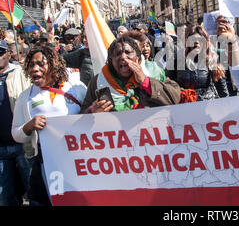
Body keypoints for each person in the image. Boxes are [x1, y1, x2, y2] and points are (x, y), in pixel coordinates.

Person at [12, 45, 87, 205]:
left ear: (53, 64)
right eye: (31, 65)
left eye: (40, 64)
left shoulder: (75, 88)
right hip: (47, 163)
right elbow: (16, 133)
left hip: (79, 160)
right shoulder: (26, 97)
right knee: (57, 200)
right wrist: (29, 126)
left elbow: (90, 118)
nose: (34, 69)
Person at [81, 36, 181, 114]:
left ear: (137, 56)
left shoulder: (153, 71)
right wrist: (92, 111)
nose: (123, 57)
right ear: (111, 60)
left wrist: (145, 82)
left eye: (128, 52)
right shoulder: (99, 81)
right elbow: (82, 114)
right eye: (117, 54)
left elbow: (175, 97)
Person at [0, 40, 32, 206]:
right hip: (1, 148)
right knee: (5, 197)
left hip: (23, 145)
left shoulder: (21, 73)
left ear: (8, 54)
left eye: (0, 52)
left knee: (33, 192)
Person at [166, 25, 229, 101]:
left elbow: (222, 90)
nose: (196, 42)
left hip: (207, 106)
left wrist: (227, 107)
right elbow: (168, 85)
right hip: (184, 105)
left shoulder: (212, 59)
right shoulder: (176, 59)